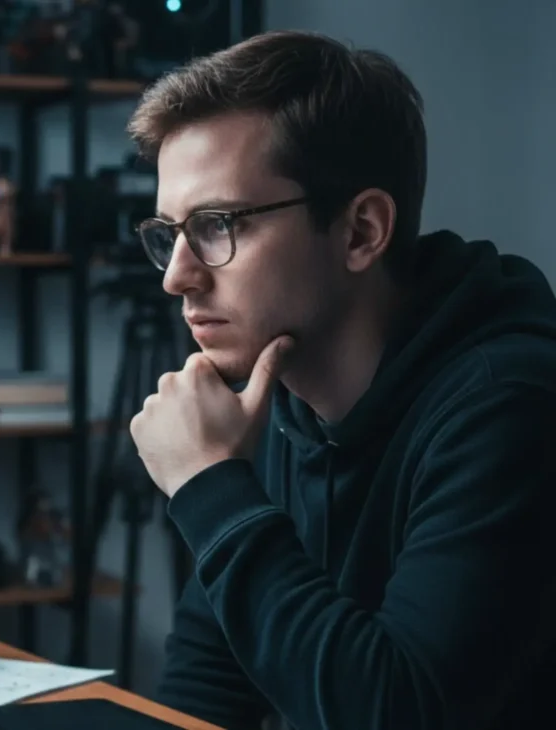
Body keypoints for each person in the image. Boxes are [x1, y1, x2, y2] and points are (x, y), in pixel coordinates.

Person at [125, 30, 556, 730]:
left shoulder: (510, 406)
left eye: (217, 225)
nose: (177, 276)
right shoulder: (271, 402)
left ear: (361, 231)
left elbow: (397, 713)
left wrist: (210, 489)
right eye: (168, 233)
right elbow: (207, 685)